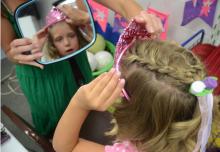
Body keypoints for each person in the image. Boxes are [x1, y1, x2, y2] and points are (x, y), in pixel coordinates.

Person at [1, 0, 162, 137]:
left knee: (88, 109)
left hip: (77, 61)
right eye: (59, 39)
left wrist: (139, 15)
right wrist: (12, 53)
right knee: (59, 125)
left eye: (70, 36)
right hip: (40, 75)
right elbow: (8, 48)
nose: (66, 42)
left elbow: (120, 4)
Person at [53, 32, 218, 152]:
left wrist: (79, 103)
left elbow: (66, 146)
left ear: (134, 118)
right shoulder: (198, 128)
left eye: (120, 89)